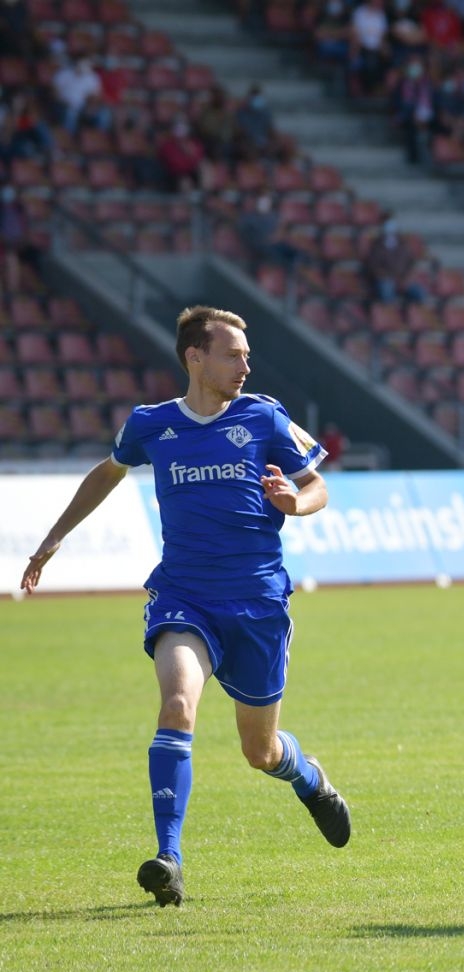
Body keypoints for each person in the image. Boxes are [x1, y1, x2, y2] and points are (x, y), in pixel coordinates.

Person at [19, 306, 352, 907]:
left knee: (260, 751)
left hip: (256, 602)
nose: (246, 365)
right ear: (195, 357)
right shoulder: (150, 424)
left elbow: (319, 486)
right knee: (177, 705)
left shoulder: (265, 416)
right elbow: (110, 470)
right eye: (234, 354)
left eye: (248, 355)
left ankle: (307, 776)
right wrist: (55, 535)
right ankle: (169, 859)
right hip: (184, 596)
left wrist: (292, 503)